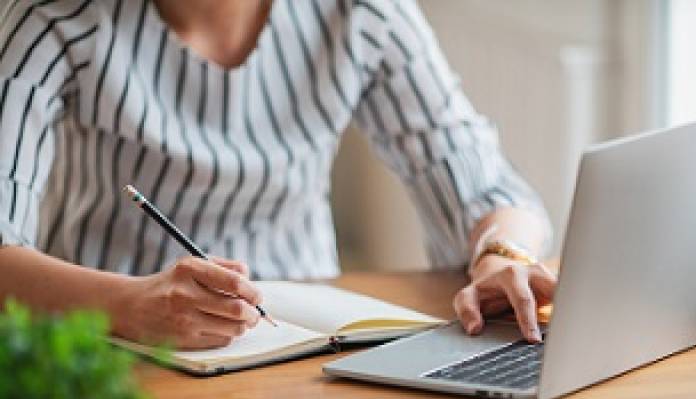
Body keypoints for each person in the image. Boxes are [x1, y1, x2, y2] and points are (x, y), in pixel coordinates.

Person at [0, 0, 555, 349]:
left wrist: (501, 257)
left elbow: (488, 188)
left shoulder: (362, 12)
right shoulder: (53, 18)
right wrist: (126, 306)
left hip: (308, 346)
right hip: (109, 348)